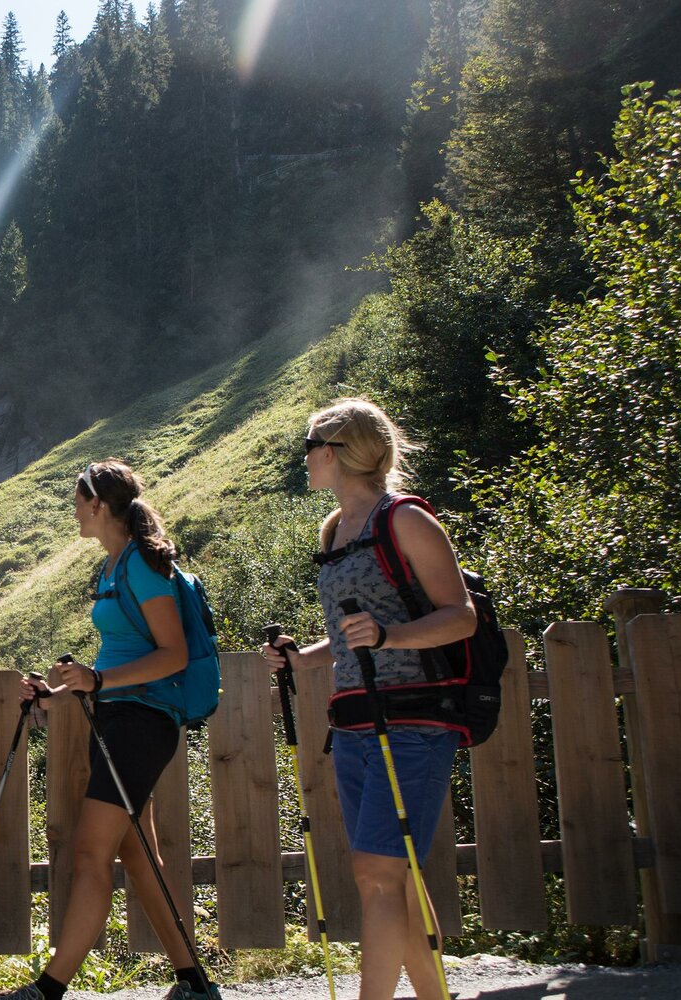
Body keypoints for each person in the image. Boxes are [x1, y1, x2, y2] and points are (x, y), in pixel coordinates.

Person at [258, 398, 474, 1000]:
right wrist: (303, 659)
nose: (302, 460)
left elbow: (462, 617)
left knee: (377, 874)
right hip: (354, 720)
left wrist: (390, 637)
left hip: (415, 718)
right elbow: (354, 630)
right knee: (392, 877)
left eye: (307, 448)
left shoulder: (405, 519)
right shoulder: (336, 530)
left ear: (331, 451)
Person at [0, 459, 218, 1000]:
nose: (73, 510)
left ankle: (48, 990)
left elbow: (172, 655)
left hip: (141, 723)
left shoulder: (138, 566)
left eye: (76, 499)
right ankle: (194, 983)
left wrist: (98, 678)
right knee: (137, 855)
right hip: (119, 719)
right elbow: (111, 666)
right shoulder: (113, 567)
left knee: (91, 855)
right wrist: (59, 690)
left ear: (97, 504)